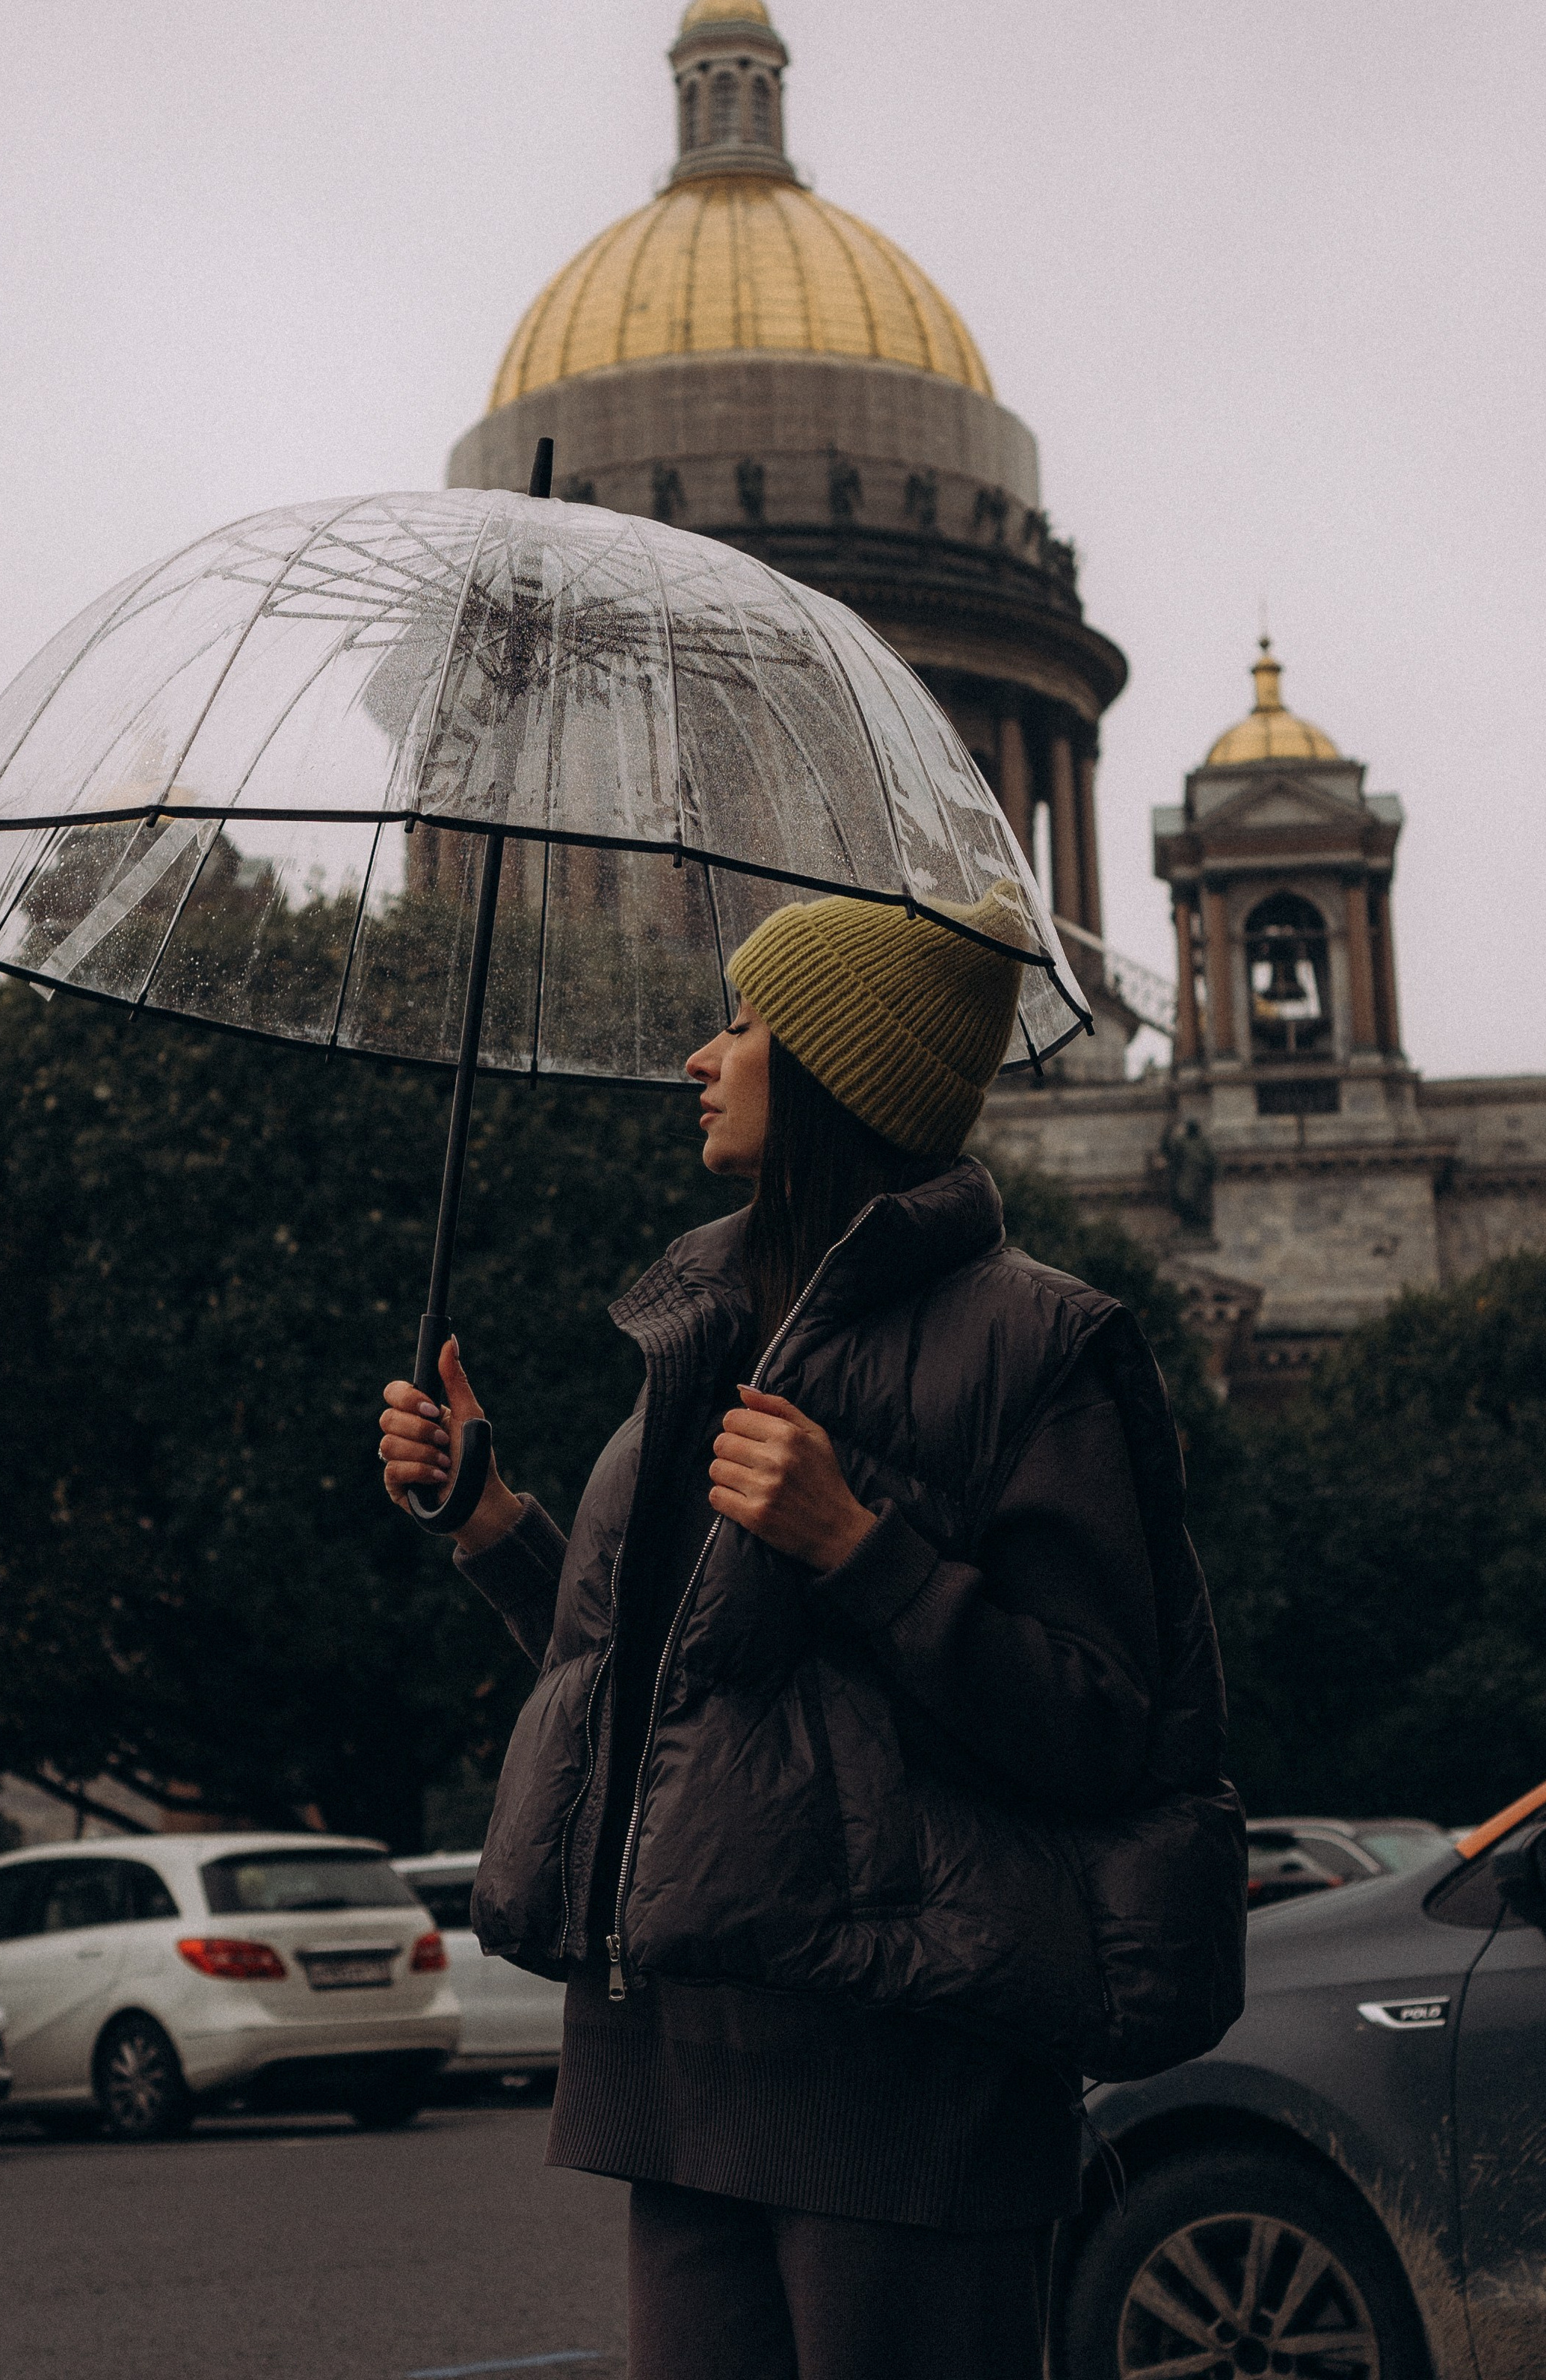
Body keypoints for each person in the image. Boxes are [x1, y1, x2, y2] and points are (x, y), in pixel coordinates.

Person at [378, 880, 1233, 2380]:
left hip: (902, 2084)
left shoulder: (1039, 1343)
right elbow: (664, 1698)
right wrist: (491, 1521)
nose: (698, 1058)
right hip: (681, 2059)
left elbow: (1105, 1728)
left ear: (839, 1070)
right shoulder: (707, 1324)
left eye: (742, 1025)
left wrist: (860, 1550)